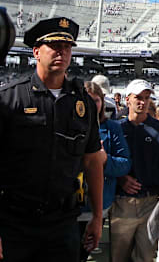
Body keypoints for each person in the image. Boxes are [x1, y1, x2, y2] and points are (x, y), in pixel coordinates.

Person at [0, 17, 104, 261]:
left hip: (63, 223)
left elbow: (92, 161)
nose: (62, 52)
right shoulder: (10, 99)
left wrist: (97, 217)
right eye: (54, 46)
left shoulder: (83, 103)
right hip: (14, 222)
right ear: (36, 51)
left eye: (67, 47)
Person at [112, 79, 159, 262]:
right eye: (138, 97)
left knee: (147, 257)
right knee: (118, 256)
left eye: (147, 98)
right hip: (122, 202)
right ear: (128, 99)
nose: (143, 102)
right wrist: (121, 178)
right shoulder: (116, 127)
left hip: (150, 202)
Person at [78, 81, 132, 261]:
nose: (92, 105)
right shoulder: (68, 125)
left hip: (100, 205)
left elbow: (125, 163)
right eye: (88, 100)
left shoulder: (112, 128)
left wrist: (104, 159)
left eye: (96, 100)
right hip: (69, 205)